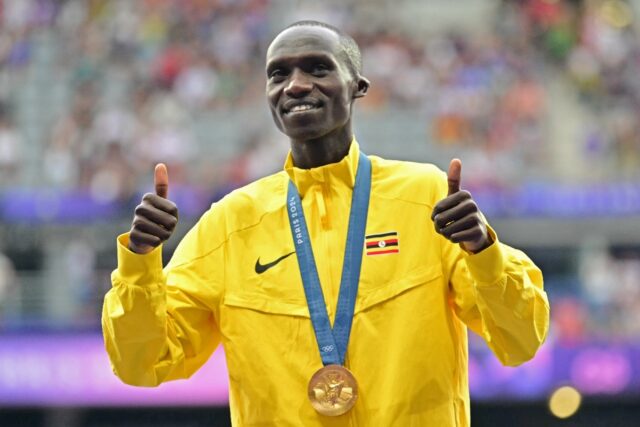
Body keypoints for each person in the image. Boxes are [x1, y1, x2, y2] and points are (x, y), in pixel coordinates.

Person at [102, 20, 549, 426]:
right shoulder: (229, 225)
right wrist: (140, 263)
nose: (296, 85)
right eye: (279, 74)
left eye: (317, 68)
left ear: (358, 86)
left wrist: (482, 251)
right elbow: (144, 363)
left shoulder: (425, 199)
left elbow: (520, 339)